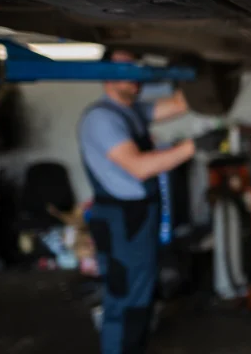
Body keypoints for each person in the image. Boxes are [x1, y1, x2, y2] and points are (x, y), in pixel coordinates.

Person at [78, 49, 221, 354]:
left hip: (137, 218)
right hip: (121, 222)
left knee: (141, 296)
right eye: (125, 68)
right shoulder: (101, 117)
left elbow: (182, 103)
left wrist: (195, 73)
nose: (134, 75)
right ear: (107, 75)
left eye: (137, 67)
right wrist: (192, 147)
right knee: (125, 300)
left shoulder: (130, 110)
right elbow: (139, 166)